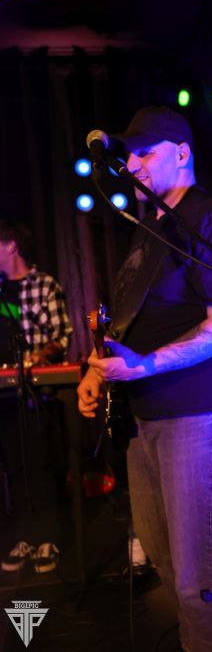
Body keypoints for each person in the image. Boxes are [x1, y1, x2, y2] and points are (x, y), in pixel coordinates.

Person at [77, 106, 212, 652]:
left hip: (199, 414)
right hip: (147, 416)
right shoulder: (150, 230)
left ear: (182, 153)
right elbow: (132, 319)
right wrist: (96, 370)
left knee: (199, 577)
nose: (131, 165)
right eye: (129, 155)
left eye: (143, 153)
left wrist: (146, 365)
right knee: (167, 562)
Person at [0, 218, 73, 573]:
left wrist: (34, 359)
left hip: (38, 393)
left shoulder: (44, 285)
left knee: (42, 463)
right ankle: (25, 537)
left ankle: (48, 538)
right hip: (5, 397)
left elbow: (62, 336)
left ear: (11, 245)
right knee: (14, 466)